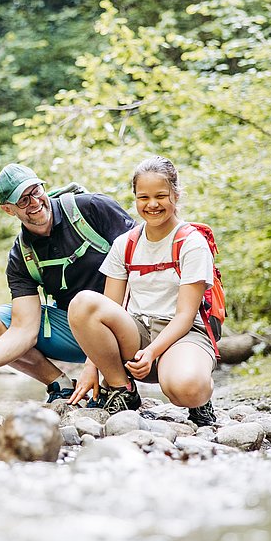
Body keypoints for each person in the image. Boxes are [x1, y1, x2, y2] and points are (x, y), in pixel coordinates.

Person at [0, 163, 135, 403]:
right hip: (77, 331)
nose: (34, 202)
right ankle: (61, 384)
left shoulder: (93, 208)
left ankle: (119, 384)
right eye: (23, 200)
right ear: (8, 209)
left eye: (35, 191)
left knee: (86, 304)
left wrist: (94, 364)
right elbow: (23, 330)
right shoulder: (21, 256)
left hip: (130, 321)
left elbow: (139, 266)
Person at [65, 156, 217, 425]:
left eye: (161, 196)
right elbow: (108, 308)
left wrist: (152, 353)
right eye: (143, 197)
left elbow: (184, 316)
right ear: (135, 198)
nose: (152, 204)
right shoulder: (125, 243)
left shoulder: (192, 243)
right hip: (136, 333)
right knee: (83, 303)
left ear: (176, 195)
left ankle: (201, 402)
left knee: (187, 390)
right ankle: (122, 390)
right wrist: (91, 367)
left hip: (182, 334)